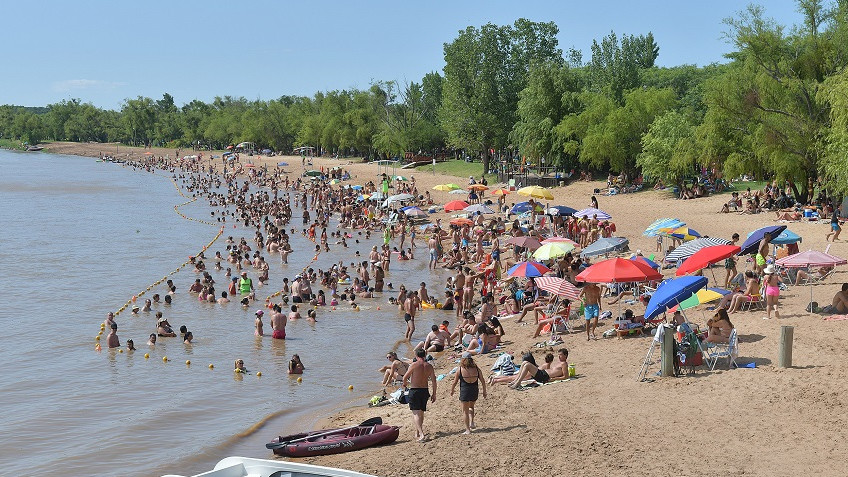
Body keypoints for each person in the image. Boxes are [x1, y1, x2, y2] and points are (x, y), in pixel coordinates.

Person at [402, 348, 437, 442]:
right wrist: (434, 394)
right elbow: (434, 381)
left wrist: (404, 384)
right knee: (421, 412)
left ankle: (421, 434)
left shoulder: (414, 365)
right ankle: (417, 432)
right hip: (425, 391)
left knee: (416, 413)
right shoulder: (429, 366)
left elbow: (405, 377)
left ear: (416, 356)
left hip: (415, 390)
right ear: (425, 355)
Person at [450, 353, 487, 434]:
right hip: (474, 390)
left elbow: (454, 382)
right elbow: (483, 381)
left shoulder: (460, 369)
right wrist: (484, 391)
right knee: (471, 407)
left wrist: (452, 390)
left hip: (465, 391)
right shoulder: (476, 369)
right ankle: (472, 422)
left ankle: (467, 430)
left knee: (465, 411)